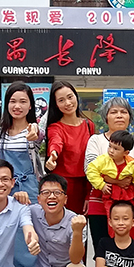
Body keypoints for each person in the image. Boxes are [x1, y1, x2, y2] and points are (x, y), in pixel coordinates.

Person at [85, 97, 134, 256]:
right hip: (100, 204)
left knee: (128, 252)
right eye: (114, 112)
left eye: (123, 112)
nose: (119, 115)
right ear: (106, 117)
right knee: (102, 252)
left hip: (130, 205)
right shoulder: (96, 140)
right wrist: (118, 182)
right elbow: (90, 170)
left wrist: (108, 178)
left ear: (129, 117)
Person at [44, 81, 95, 215]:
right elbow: (56, 141)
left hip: (85, 184)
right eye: (61, 100)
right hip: (62, 185)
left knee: (80, 224)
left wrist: (89, 194)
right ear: (56, 104)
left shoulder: (89, 125)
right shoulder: (55, 127)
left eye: (70, 97)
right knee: (60, 223)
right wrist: (53, 155)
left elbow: (93, 157)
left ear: (76, 97)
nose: (67, 103)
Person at [86, 130, 134, 223]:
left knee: (127, 220)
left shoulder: (133, 165)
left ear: (126, 153)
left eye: (116, 149)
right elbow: (91, 170)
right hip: (108, 195)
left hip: (127, 197)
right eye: (110, 146)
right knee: (112, 217)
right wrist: (101, 185)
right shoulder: (102, 160)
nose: (111, 151)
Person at [0, 81, 42, 200]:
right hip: (3, 188)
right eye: (13, 101)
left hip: (29, 190)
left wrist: (34, 128)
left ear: (30, 105)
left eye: (23, 102)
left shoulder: (33, 130)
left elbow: (37, 132)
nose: (17, 106)